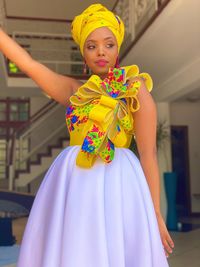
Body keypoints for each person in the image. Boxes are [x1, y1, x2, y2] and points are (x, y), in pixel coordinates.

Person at [0, 3, 174, 267]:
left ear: (117, 49)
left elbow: (149, 155)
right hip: (75, 183)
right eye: (91, 46)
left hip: (120, 184)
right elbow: (28, 63)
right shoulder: (74, 91)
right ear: (83, 53)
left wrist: (156, 215)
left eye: (108, 44)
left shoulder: (135, 90)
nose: (101, 51)